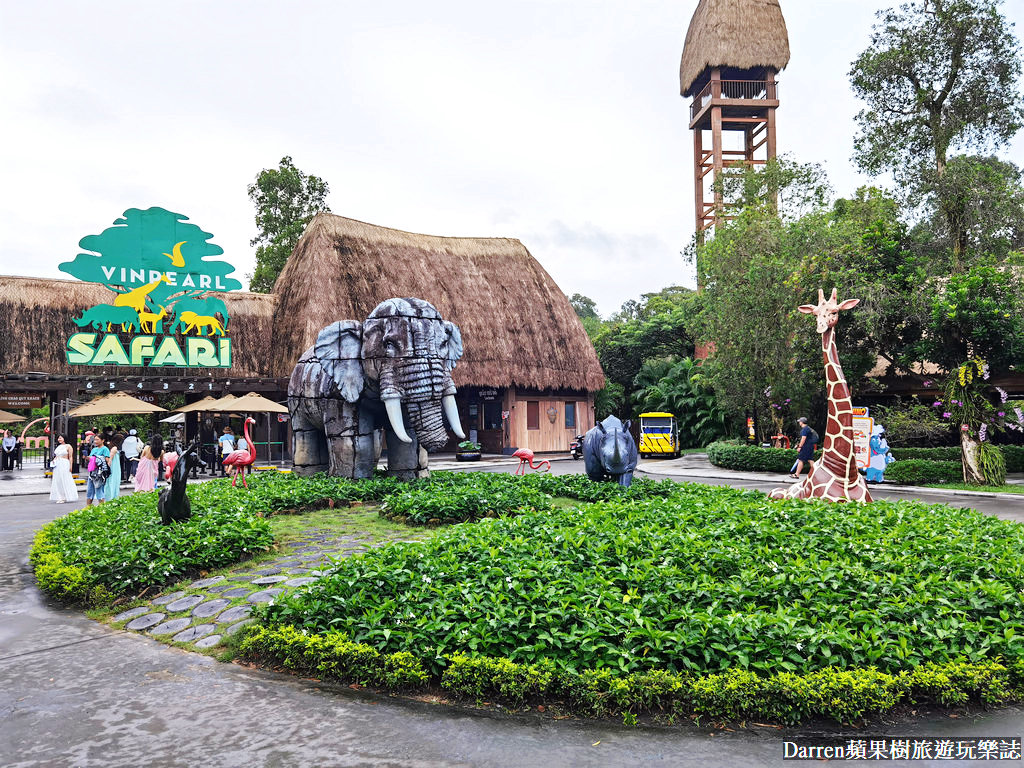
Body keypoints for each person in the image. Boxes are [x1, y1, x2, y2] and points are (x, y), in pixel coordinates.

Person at [49, 434, 78, 504]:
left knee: (65, 478)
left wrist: (71, 466)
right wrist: (54, 460)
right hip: (57, 463)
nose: (59, 439)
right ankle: (60, 496)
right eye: (58, 438)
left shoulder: (68, 446)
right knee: (58, 480)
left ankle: (66, 496)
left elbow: (70, 456)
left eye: (60, 438)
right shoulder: (59, 447)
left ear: (64, 438)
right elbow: (57, 455)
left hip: (64, 463)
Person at [85, 434, 111, 507]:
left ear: (102, 440)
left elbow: (107, 460)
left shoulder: (105, 449)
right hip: (92, 472)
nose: (95, 441)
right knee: (90, 490)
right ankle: (88, 507)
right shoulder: (94, 449)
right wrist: (86, 457)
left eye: (97, 440)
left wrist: (98, 459)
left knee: (99, 489)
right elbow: (90, 459)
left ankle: (101, 507)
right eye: (95, 440)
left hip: (99, 473)